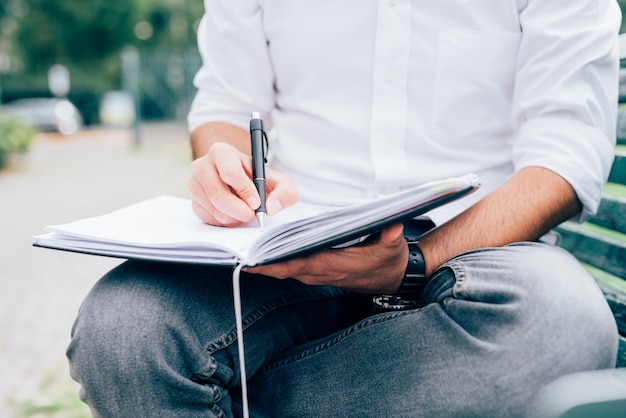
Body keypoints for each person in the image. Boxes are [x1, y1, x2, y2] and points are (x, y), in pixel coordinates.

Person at [67, 1, 622, 416]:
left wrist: (415, 261)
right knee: (122, 330)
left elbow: (564, 153)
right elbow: (227, 103)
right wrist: (227, 167)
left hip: (479, 244)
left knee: (560, 326)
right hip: (294, 241)